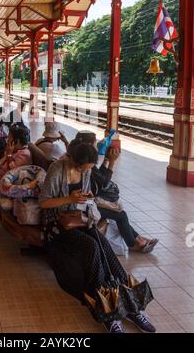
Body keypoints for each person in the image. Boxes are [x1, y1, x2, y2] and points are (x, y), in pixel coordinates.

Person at [39, 143, 156, 334]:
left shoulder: (86, 170)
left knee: (105, 248)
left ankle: (131, 306)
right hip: (57, 224)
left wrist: (87, 197)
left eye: (88, 169)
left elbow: (85, 199)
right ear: (72, 160)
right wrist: (70, 199)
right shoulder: (57, 169)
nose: (85, 172)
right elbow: (44, 202)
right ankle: (108, 313)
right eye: (82, 168)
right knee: (92, 248)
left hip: (80, 219)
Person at [70, 133, 159, 253]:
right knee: (121, 215)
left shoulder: (83, 159)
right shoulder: (84, 162)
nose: (97, 148)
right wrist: (111, 162)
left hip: (87, 201)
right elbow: (103, 183)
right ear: (89, 146)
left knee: (118, 212)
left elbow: (99, 178)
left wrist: (107, 159)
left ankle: (138, 238)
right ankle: (133, 244)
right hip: (82, 205)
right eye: (95, 144)